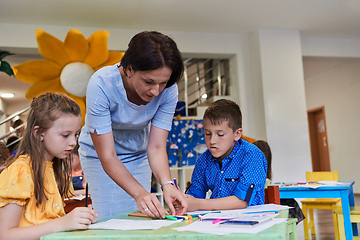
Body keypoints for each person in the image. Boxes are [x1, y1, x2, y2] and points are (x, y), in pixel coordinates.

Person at [78, 31, 187, 220]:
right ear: (129, 70)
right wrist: (139, 193)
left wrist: (168, 185)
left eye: (163, 83)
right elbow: (108, 156)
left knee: (141, 215)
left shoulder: (168, 91)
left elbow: (157, 146)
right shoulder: (101, 84)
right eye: (148, 82)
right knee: (110, 217)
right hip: (100, 156)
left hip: (138, 153)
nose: (155, 91)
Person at [0, 93, 98, 239]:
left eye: (76, 134)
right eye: (65, 135)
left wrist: (79, 218)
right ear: (39, 133)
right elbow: (5, 235)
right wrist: (63, 223)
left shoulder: (53, 169)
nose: (73, 142)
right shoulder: (20, 171)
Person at [185, 99, 267, 211]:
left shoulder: (251, 155)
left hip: (249, 222)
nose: (212, 140)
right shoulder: (204, 160)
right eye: (208, 133)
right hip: (215, 221)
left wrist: (198, 204)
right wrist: (183, 201)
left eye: (220, 134)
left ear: (237, 134)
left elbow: (242, 201)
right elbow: (195, 195)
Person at [253, 140, 305, 224]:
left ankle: (286, 224)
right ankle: (287, 224)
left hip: (260, 204)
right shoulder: (259, 174)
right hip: (261, 206)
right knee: (291, 202)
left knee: (289, 201)